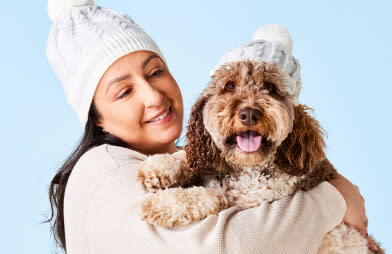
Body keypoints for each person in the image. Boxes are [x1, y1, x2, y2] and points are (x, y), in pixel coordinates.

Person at [45, 1, 377, 253]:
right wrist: (334, 199)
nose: (153, 96)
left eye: (156, 72)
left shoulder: (199, 161)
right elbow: (230, 246)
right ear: (97, 117)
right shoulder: (103, 169)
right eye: (125, 92)